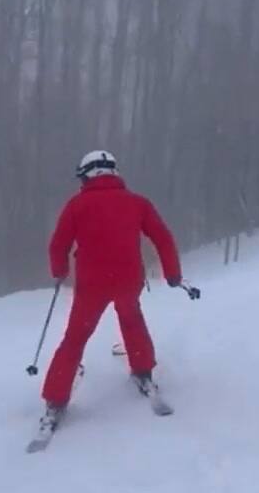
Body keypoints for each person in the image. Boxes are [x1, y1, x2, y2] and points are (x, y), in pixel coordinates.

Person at [42, 150, 183, 417]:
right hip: (129, 281)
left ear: (89, 175)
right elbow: (163, 238)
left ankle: (56, 399)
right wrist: (172, 273)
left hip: (91, 286)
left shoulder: (76, 205)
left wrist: (59, 271)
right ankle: (143, 371)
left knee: (75, 338)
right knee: (132, 321)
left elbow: (58, 244)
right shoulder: (137, 203)